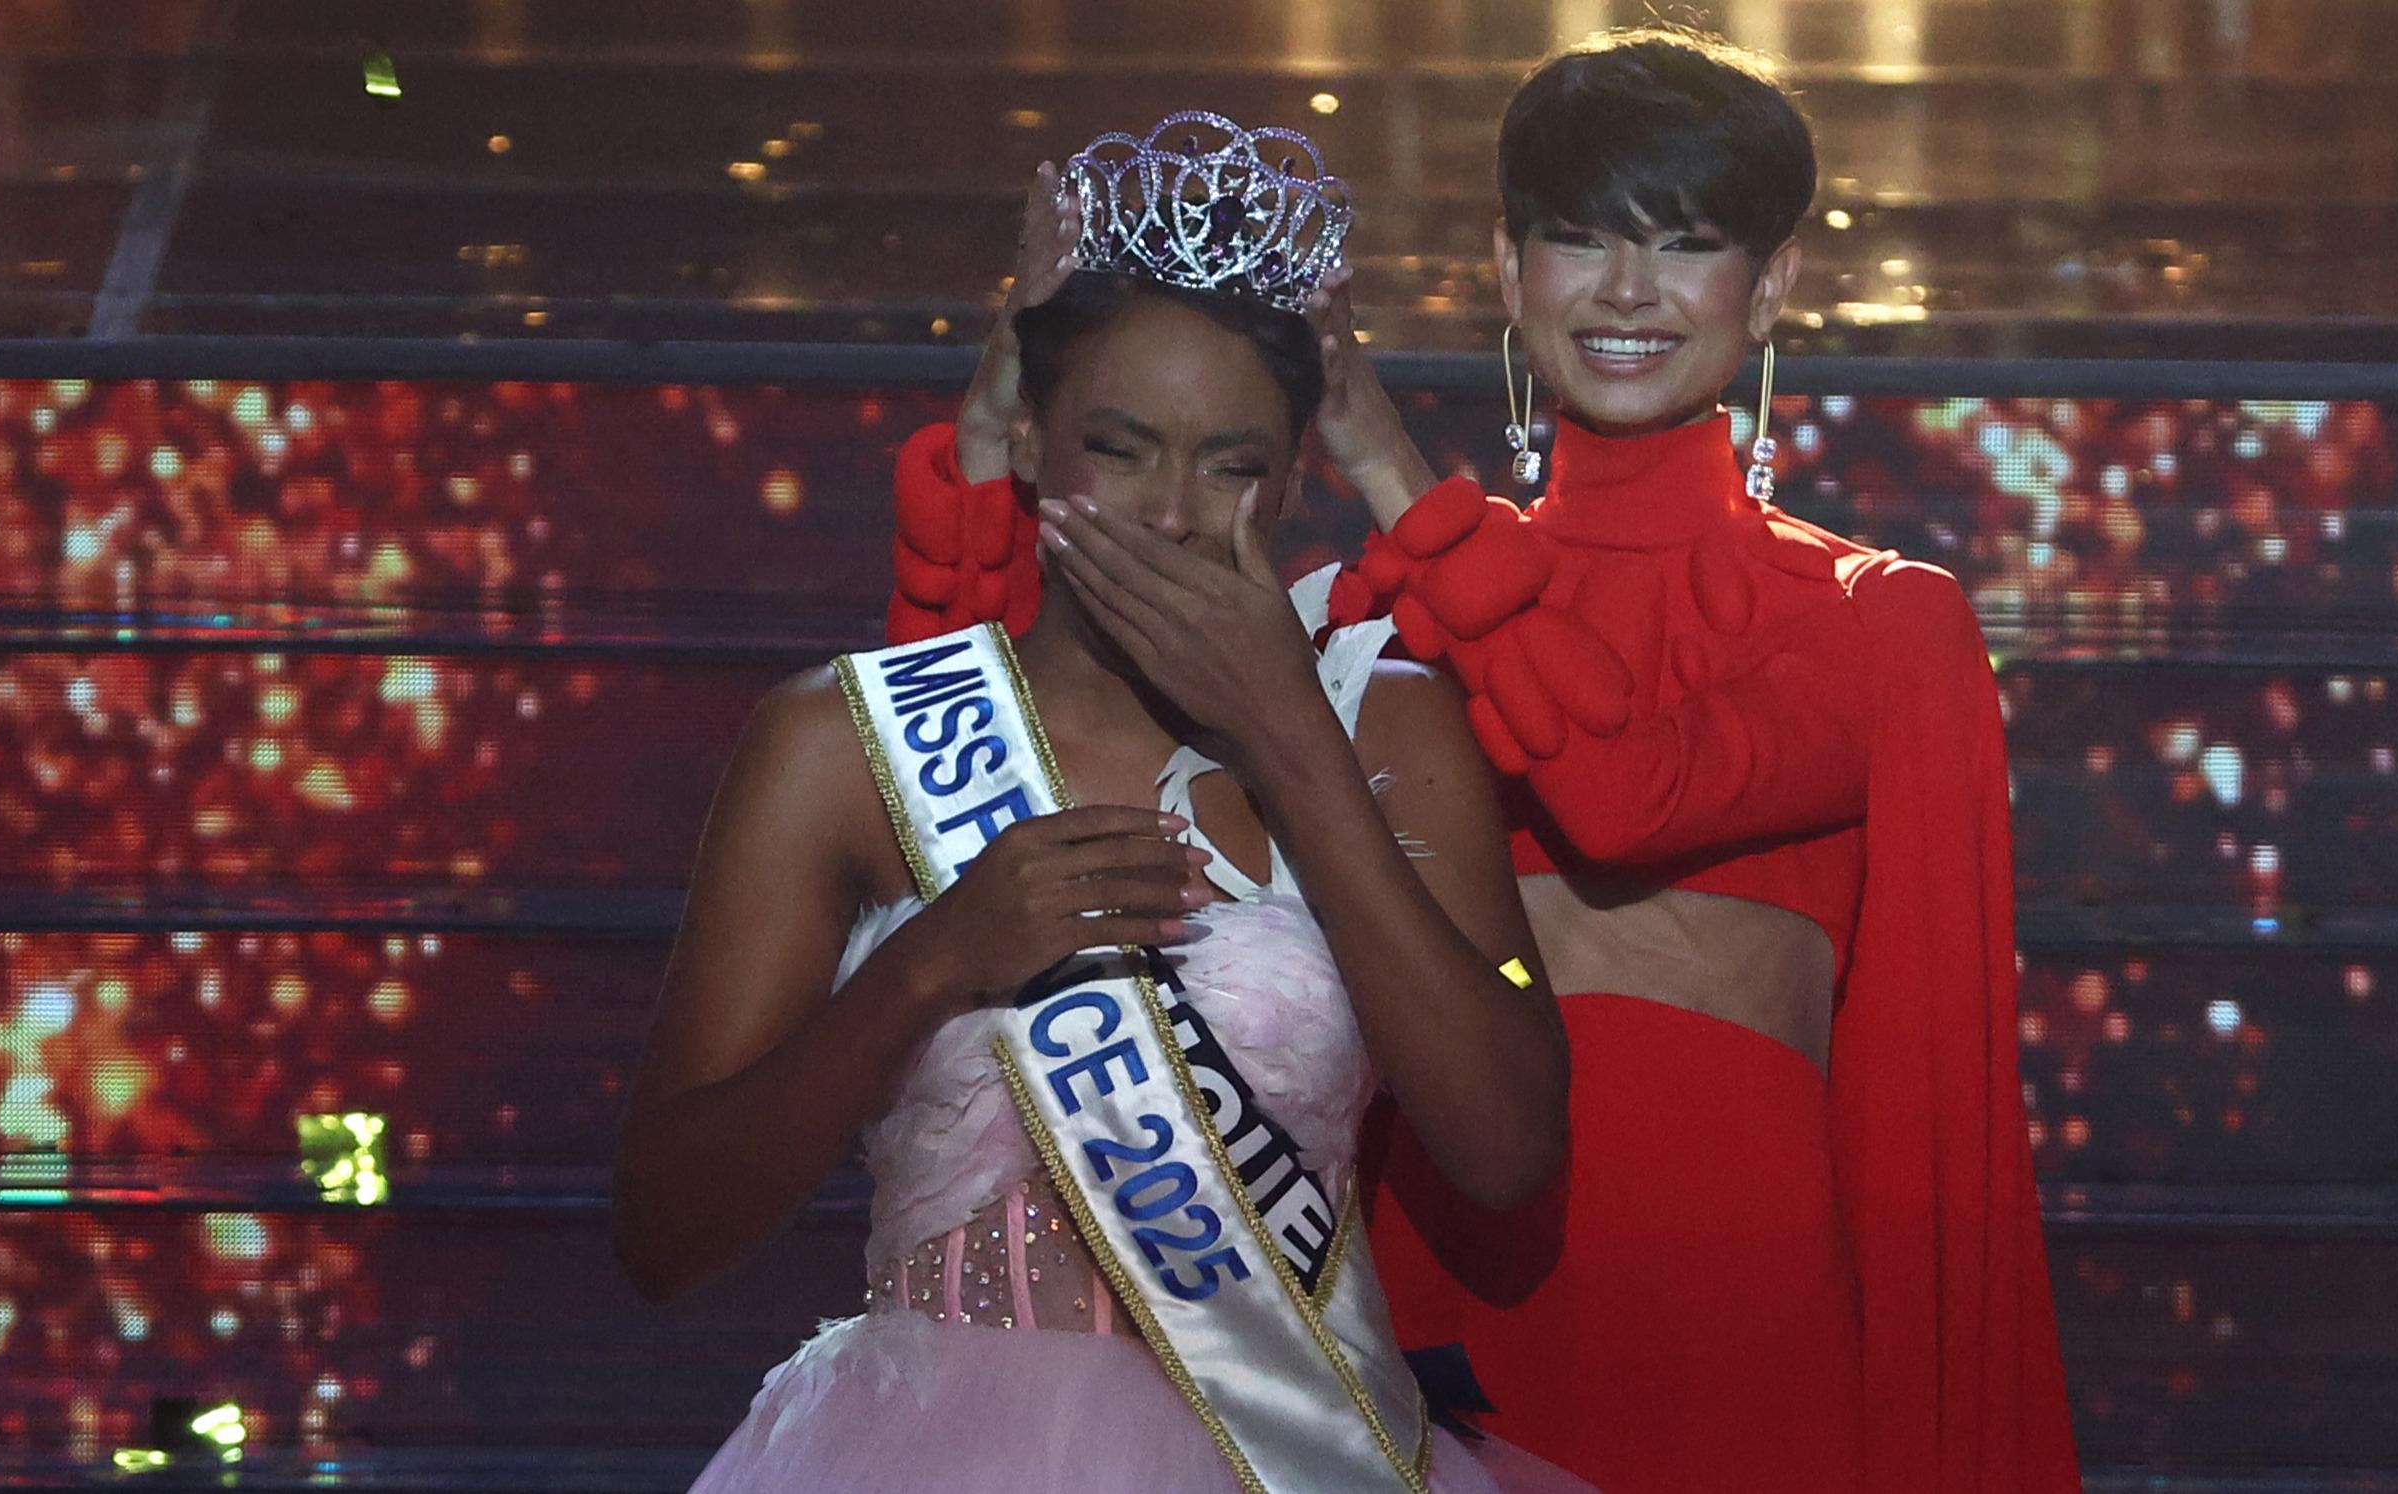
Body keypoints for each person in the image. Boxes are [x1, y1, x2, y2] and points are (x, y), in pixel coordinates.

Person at [883, 30, 2082, 1494]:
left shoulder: (1872, 619)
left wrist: (1383, 453)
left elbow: (1623, 789)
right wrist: (1002, 409)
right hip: (1428, 1273)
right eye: (1576, 239)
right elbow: (989, 758)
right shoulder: (1352, 617)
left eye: (1685, 244)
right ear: (1507, 272)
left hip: (1730, 1324)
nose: (1626, 291)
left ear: (1769, 288)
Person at [619, 113, 1587, 1494]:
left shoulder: (1385, 718)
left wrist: (1291, 743)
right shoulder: (846, 742)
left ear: (1295, 474)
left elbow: (1505, 1149)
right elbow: (664, 1229)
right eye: (1122, 449)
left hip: (1294, 1447)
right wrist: (933, 960)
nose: (1174, 515)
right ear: (1029, 443)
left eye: (1232, 462)